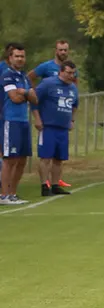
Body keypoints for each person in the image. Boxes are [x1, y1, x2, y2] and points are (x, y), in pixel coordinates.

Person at [31, 40, 77, 189]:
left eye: (73, 73)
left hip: (63, 126)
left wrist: (72, 120)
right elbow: (34, 100)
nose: (71, 76)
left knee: (59, 158)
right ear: (61, 72)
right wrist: (37, 118)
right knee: (46, 156)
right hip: (48, 125)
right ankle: (45, 184)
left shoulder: (72, 87)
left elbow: (75, 104)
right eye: (68, 73)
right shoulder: (48, 83)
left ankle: (56, 185)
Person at [1, 43, 38, 205]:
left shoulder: (24, 77)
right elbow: (14, 98)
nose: (20, 59)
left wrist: (24, 92)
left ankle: (13, 193)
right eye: (17, 56)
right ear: (10, 58)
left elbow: (35, 98)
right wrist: (26, 93)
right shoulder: (7, 75)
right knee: (10, 159)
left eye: (22, 56)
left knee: (22, 159)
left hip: (23, 121)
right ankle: (4, 195)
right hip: (11, 120)